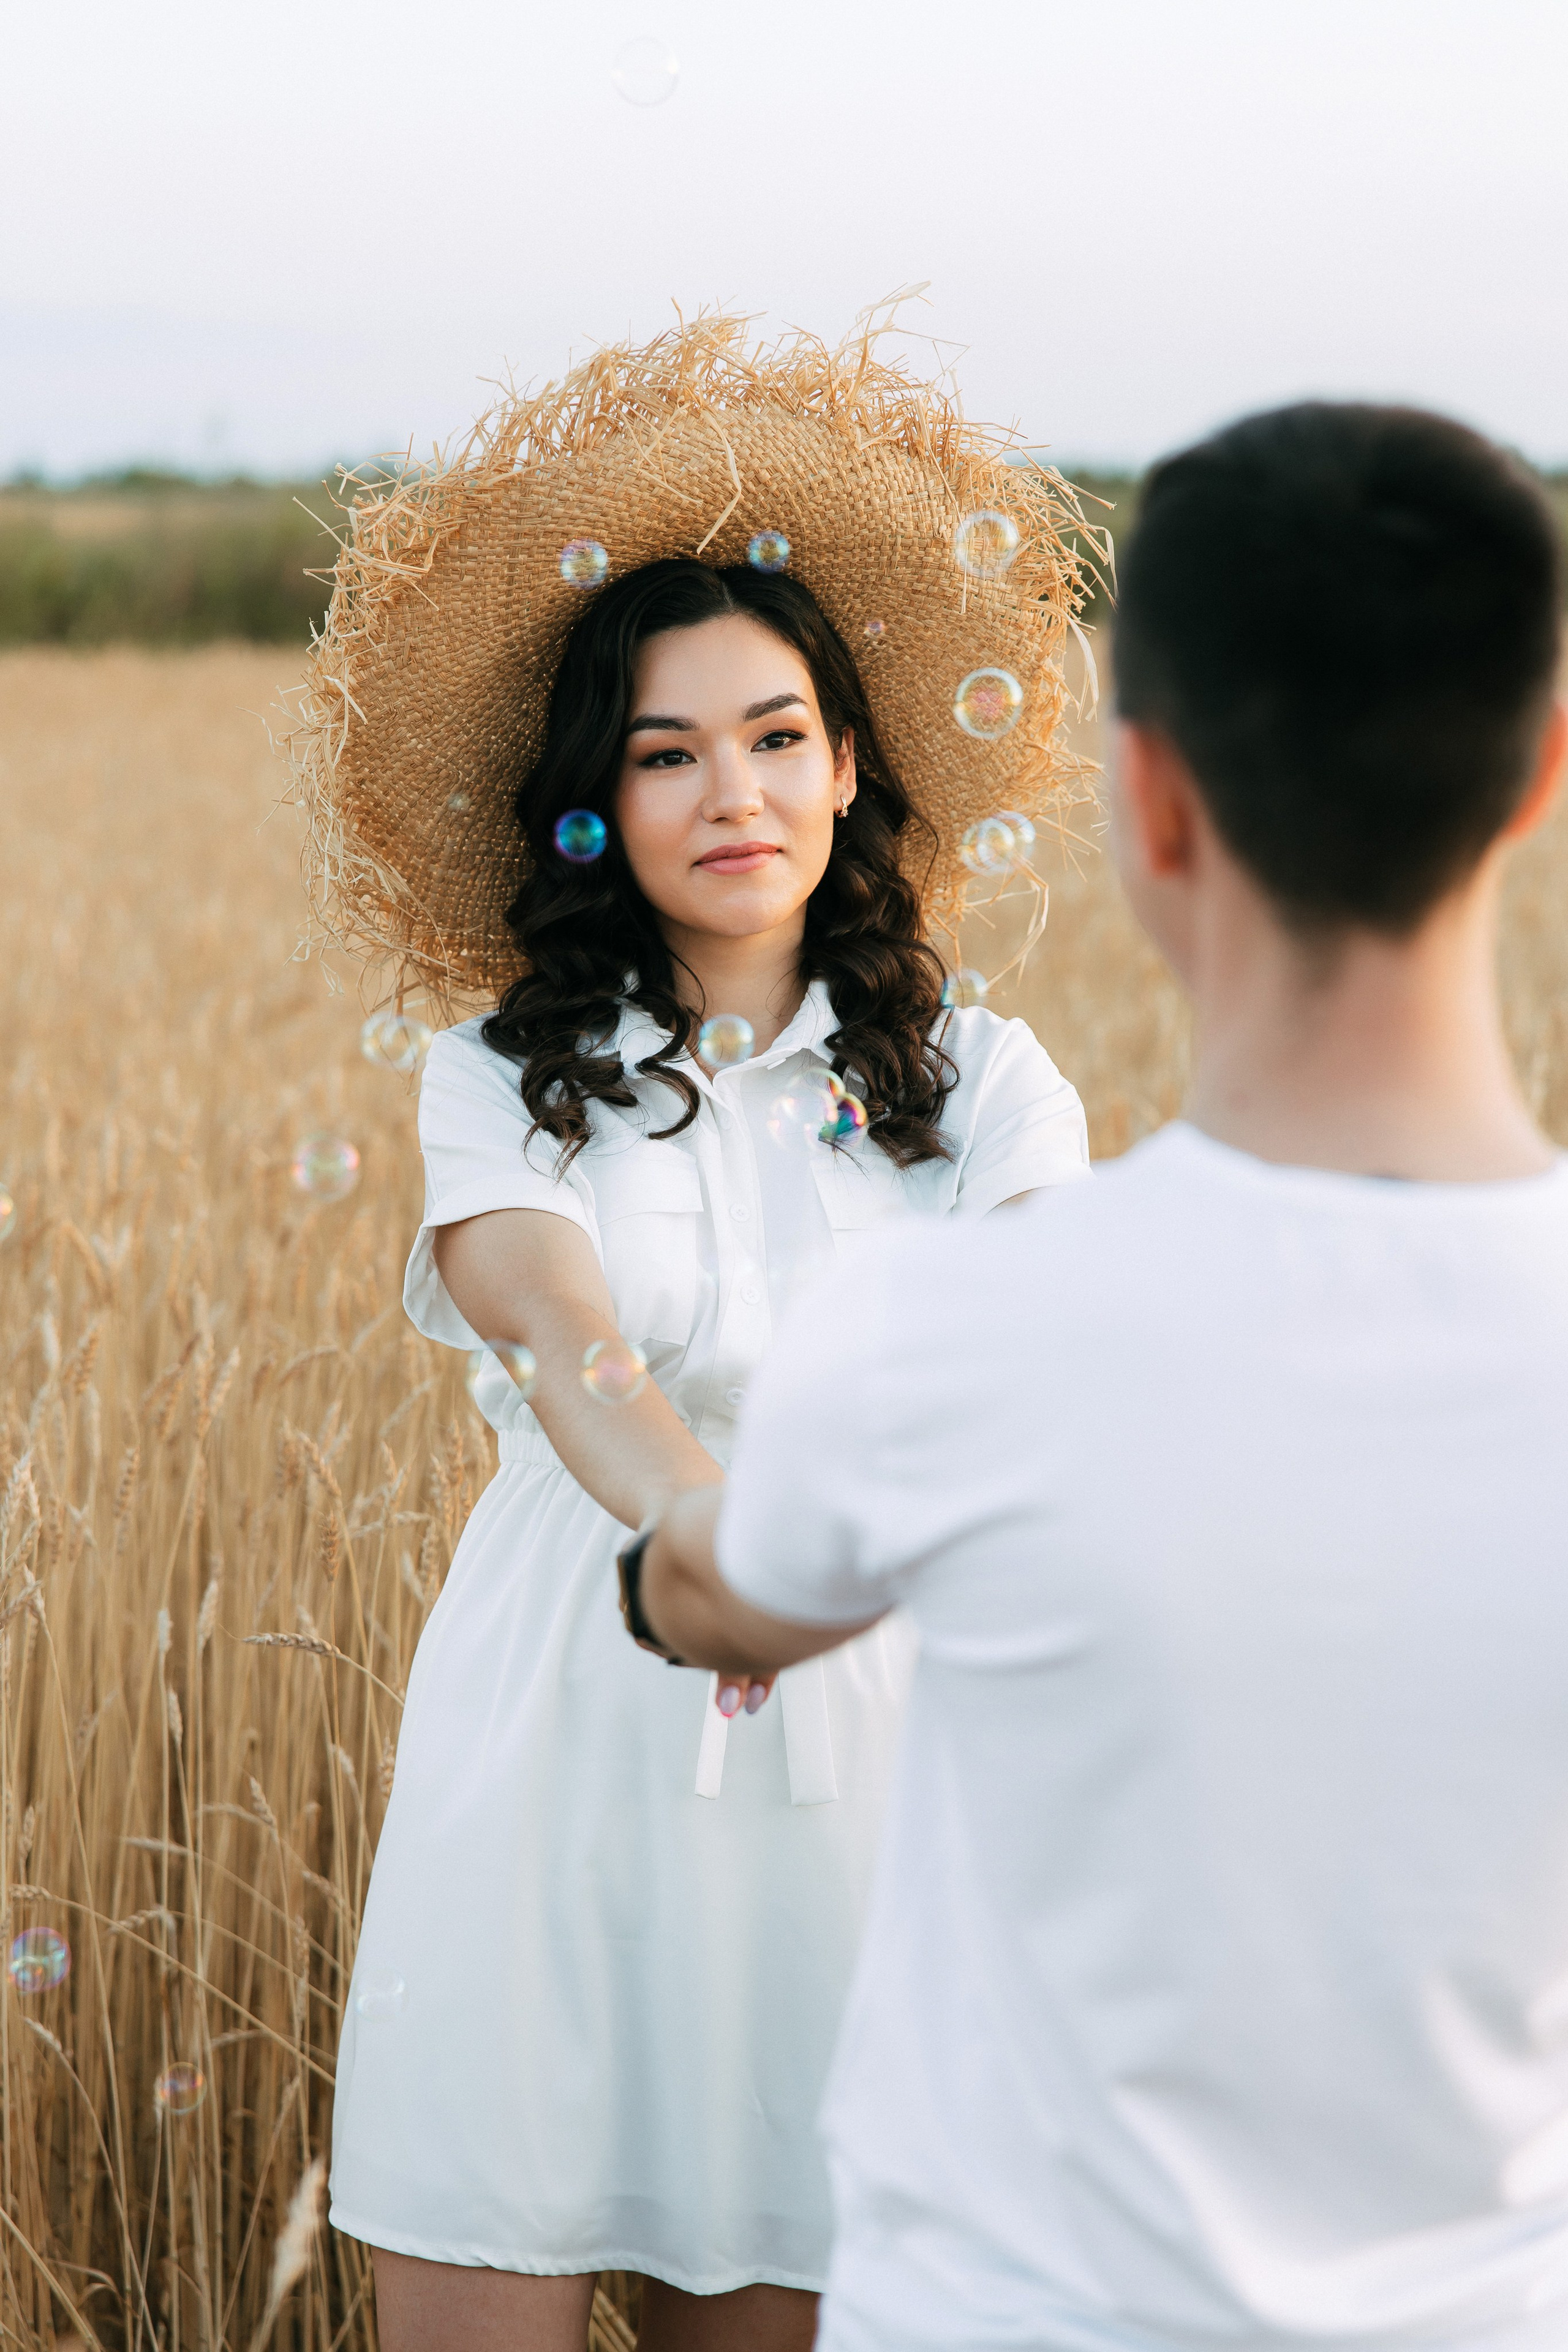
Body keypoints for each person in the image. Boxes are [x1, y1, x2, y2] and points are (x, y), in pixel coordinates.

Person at [633, 401, 1568, 2351]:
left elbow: (720, 1587)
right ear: (1541, 776)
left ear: (1149, 803)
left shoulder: (953, 1335)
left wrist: (659, 1581)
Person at [303, 317, 1096, 2350]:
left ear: (852, 767)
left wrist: (805, 1553)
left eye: (773, 735)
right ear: (597, 800)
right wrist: (702, 1540)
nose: (729, 790)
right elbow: (560, 1333)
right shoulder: (498, 1078)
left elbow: (1010, 1377)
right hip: (552, 1743)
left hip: (869, 1785)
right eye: (664, 753)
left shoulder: (995, 1087)